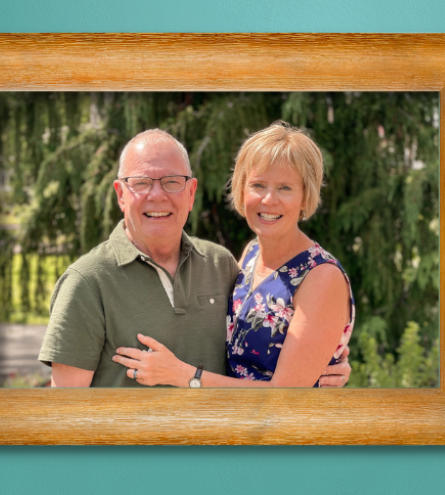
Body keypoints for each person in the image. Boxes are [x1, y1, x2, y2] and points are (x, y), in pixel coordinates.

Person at [38, 129, 350, 387]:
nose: (269, 199)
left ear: (191, 193)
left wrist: (185, 376)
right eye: (142, 183)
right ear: (121, 194)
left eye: (171, 181)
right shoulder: (86, 281)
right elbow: (66, 414)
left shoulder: (219, 264)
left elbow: (287, 395)